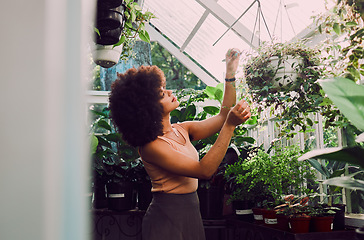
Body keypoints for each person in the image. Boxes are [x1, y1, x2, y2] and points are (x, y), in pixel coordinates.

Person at [108, 48, 251, 240]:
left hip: (191, 211)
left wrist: (230, 74)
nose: (169, 92)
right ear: (146, 108)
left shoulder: (182, 129)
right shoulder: (152, 147)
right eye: (161, 94)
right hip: (166, 218)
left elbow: (224, 115)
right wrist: (230, 126)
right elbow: (204, 171)